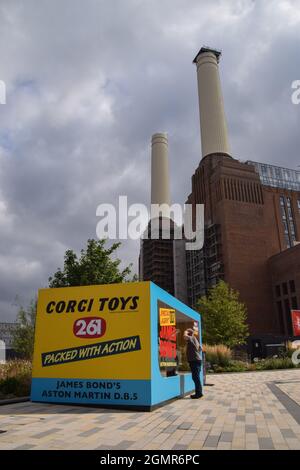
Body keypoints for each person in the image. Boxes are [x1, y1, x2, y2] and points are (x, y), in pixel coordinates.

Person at [183, 328, 203, 399]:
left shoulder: (191, 338)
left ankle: (199, 393)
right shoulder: (195, 339)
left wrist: (185, 331)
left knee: (195, 377)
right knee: (196, 377)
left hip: (194, 360)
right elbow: (201, 348)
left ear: (189, 334)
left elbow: (185, 336)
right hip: (197, 360)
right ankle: (199, 392)